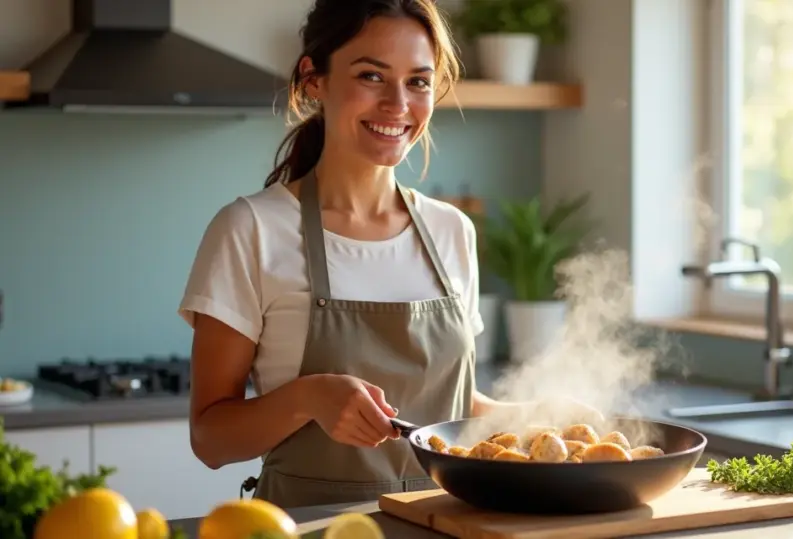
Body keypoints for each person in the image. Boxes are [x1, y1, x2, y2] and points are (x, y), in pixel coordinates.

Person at [178, 0, 598, 509]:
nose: (398, 103)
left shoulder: (451, 231)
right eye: (371, 76)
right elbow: (210, 440)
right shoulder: (250, 230)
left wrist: (536, 414)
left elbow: (451, 409)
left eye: (418, 82)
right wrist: (308, 398)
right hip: (316, 526)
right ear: (314, 79)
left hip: (450, 519)